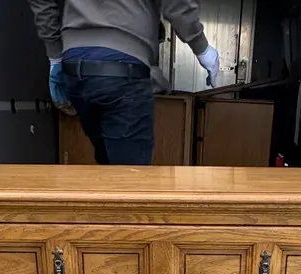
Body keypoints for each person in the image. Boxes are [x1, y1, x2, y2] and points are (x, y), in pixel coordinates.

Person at [27, 0, 220, 165]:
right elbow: (177, 5)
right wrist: (201, 48)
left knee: (110, 169)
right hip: (123, 70)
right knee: (130, 180)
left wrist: (55, 55)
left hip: (76, 68)